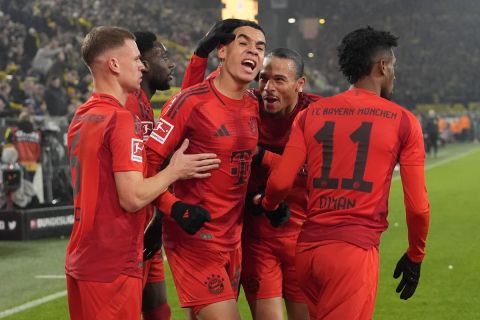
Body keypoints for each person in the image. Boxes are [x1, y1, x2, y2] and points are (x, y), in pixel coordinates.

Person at [257, 26, 430, 319]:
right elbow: (418, 208)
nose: (394, 75)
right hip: (352, 253)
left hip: (308, 252)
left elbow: (280, 182)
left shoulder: (310, 114)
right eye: (393, 67)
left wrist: (269, 205)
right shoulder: (403, 121)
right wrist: (416, 254)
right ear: (383, 66)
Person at [65, 26, 219, 320]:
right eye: (136, 59)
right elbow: (133, 197)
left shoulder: (83, 114)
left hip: (83, 256)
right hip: (113, 259)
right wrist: (175, 171)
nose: (141, 65)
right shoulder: (122, 120)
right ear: (114, 64)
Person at [182, 43, 319, 319]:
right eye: (263, 78)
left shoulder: (318, 115)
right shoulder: (247, 104)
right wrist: (199, 57)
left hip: (304, 238)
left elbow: (317, 171)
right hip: (258, 238)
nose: (268, 87)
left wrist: (261, 156)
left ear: (299, 84)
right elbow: (192, 102)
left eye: (279, 80)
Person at [145, 19, 266, 320]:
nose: (253, 50)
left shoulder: (253, 104)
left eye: (260, 47)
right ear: (222, 51)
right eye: (244, 43)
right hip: (194, 238)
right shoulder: (189, 102)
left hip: (233, 237)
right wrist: (174, 208)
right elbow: (146, 165)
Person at [124, 31, 175, 320]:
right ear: (141, 62)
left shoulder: (144, 106)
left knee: (159, 312)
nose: (170, 65)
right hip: (132, 231)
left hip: (148, 225)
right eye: (163, 56)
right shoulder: (127, 107)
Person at [4, 112, 41, 182]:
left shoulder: (14, 131)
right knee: (29, 185)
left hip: (19, 164)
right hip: (32, 164)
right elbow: (38, 149)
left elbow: (6, 137)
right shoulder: (36, 133)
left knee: (19, 186)